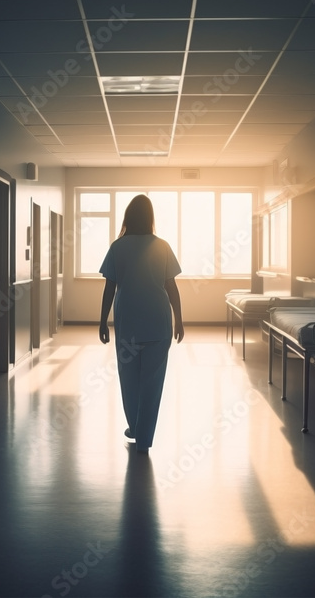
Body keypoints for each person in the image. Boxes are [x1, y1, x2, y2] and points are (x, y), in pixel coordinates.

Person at [99, 194, 184, 454]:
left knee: (129, 378)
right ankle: (144, 437)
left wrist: (102, 321)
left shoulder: (117, 247)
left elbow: (109, 287)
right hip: (158, 322)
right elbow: (172, 287)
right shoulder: (163, 246)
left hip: (129, 322)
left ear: (128, 216)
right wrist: (179, 319)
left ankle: (135, 427)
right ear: (150, 218)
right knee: (153, 381)